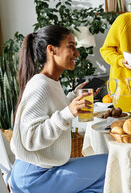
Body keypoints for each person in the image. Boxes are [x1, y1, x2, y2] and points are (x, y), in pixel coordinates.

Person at [10, 25, 108, 193]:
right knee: (114, 165)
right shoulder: (40, 85)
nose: (77, 53)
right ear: (52, 50)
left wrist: (72, 97)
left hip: (45, 168)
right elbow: (30, 138)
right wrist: (68, 112)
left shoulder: (51, 82)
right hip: (33, 177)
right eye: (71, 46)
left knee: (112, 166)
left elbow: (51, 111)